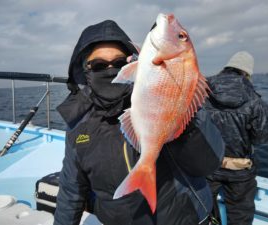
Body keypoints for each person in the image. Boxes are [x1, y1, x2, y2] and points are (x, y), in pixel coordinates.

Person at [54, 19, 225, 225]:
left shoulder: (164, 99)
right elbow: (71, 191)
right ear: (85, 72)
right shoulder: (78, 126)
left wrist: (184, 116)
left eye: (118, 63)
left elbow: (210, 163)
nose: (110, 70)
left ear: (131, 62)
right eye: (99, 65)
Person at [205, 51, 268, 225]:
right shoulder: (254, 100)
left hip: (208, 167)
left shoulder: (203, 91)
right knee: (240, 218)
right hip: (240, 172)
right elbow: (261, 138)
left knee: (204, 213)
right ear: (247, 73)